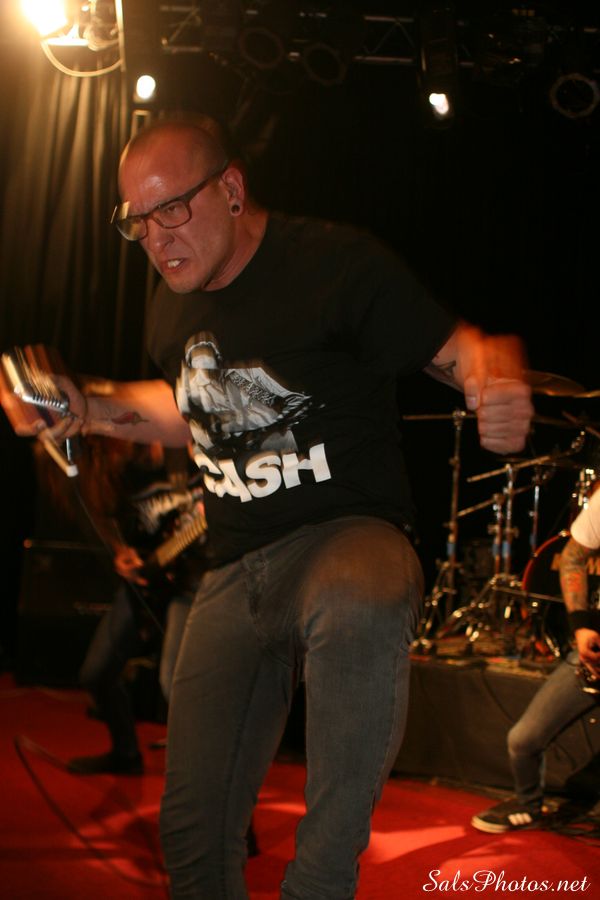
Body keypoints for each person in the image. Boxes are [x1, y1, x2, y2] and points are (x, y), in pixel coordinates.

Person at [2, 116, 533, 898]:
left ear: (231, 188)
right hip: (234, 564)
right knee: (191, 832)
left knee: (364, 595)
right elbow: (189, 410)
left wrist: (495, 369)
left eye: (171, 208)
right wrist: (84, 404)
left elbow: (461, 351)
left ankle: (320, 880)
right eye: (136, 220)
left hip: (342, 535)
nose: (155, 238)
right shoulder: (170, 306)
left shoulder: (335, 264)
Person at [54, 436, 206, 775]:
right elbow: (113, 527)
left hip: (194, 582)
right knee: (96, 672)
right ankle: (126, 754)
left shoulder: (181, 444)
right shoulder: (112, 472)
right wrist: (120, 554)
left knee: (175, 682)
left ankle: (206, 782)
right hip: (149, 579)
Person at [471, 487, 600, 834]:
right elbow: (572, 556)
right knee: (523, 739)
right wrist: (581, 626)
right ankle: (529, 805)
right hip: (594, 655)